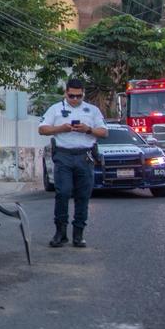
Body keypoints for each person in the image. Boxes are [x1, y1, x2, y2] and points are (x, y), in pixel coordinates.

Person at [38, 78, 107, 248]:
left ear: (83, 94)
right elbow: (42, 129)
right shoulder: (55, 109)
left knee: (83, 195)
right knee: (63, 193)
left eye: (79, 96)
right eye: (71, 96)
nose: (75, 99)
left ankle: (78, 234)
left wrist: (88, 129)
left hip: (85, 156)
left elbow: (104, 132)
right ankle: (60, 233)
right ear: (65, 93)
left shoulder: (92, 110)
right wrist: (61, 128)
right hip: (64, 155)